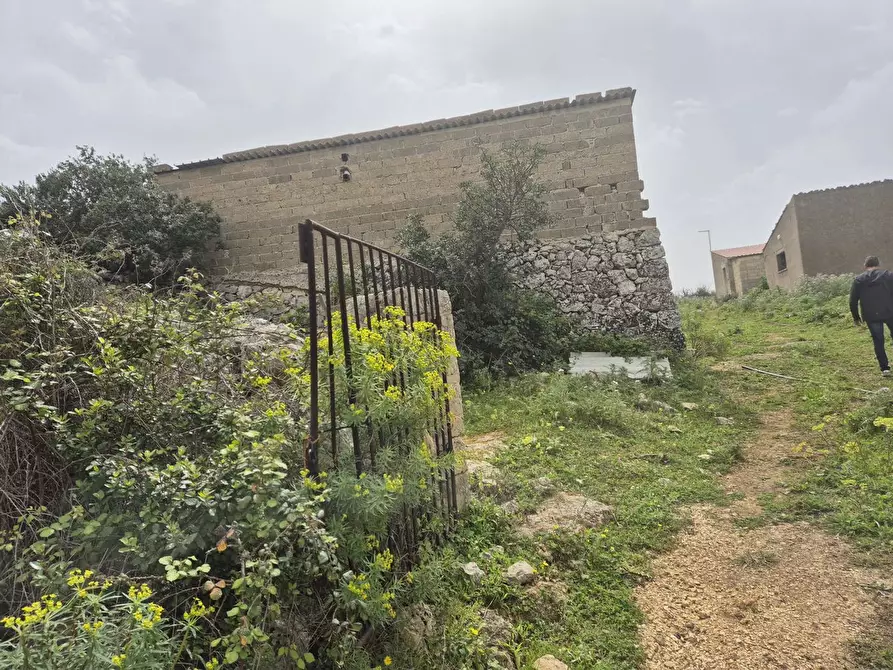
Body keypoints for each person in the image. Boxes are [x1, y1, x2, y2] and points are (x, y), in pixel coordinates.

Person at [850, 256, 893, 376]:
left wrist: (856, 317)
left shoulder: (859, 280)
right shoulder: (889, 275)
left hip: (871, 314)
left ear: (865, 266)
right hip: (890, 311)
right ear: (878, 265)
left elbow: (853, 300)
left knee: (878, 340)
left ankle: (885, 368)